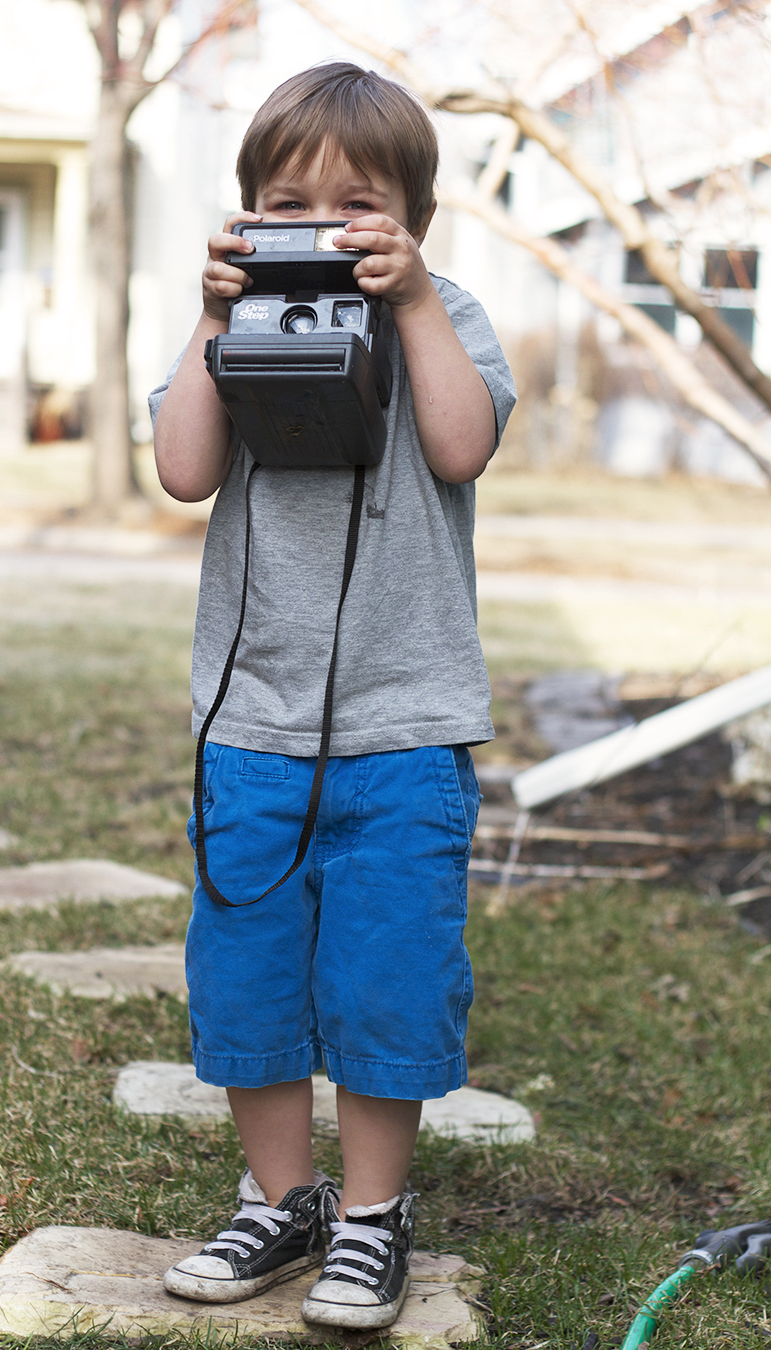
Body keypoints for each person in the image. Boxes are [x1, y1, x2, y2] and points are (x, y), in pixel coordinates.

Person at [148, 62, 515, 1331]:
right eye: (286, 201)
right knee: (246, 975)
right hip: (251, 727)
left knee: (387, 978)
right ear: (244, 211)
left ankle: (370, 1217)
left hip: (405, 729)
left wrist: (409, 298)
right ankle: (280, 1198)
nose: (318, 224)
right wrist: (210, 320)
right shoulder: (231, 320)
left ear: (412, 218)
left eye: (355, 205)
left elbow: (461, 445)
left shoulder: (446, 314)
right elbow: (185, 470)